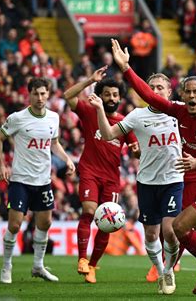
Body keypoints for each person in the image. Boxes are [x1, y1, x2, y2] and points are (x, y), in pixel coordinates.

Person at [111, 38, 196, 294]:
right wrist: (126, 69)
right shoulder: (178, 112)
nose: (192, 96)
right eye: (188, 92)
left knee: (179, 227)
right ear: (181, 95)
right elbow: (149, 95)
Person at [90, 72, 182, 295]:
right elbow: (107, 133)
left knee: (170, 231)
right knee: (151, 235)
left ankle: (169, 270)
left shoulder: (179, 110)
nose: (156, 90)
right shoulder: (137, 116)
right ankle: (160, 271)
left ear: (169, 92)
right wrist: (101, 109)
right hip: (147, 182)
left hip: (174, 179)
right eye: (151, 86)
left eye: (161, 87)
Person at [0, 77, 75, 284]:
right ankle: (7, 266)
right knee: (15, 224)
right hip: (20, 180)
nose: (39, 98)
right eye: (35, 94)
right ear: (28, 95)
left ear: (48, 94)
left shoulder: (54, 118)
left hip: (43, 180)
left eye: (43, 93)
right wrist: (2, 165)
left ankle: (38, 266)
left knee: (45, 222)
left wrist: (67, 159)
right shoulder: (17, 118)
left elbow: (54, 143)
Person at [63, 66, 138, 284]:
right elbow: (68, 96)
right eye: (107, 94)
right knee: (88, 211)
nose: (111, 98)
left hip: (112, 179)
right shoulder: (89, 111)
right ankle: (82, 259)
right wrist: (89, 81)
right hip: (89, 171)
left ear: (120, 98)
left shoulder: (126, 123)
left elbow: (135, 151)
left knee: (108, 223)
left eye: (115, 94)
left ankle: (93, 265)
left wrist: (140, 151)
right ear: (101, 96)